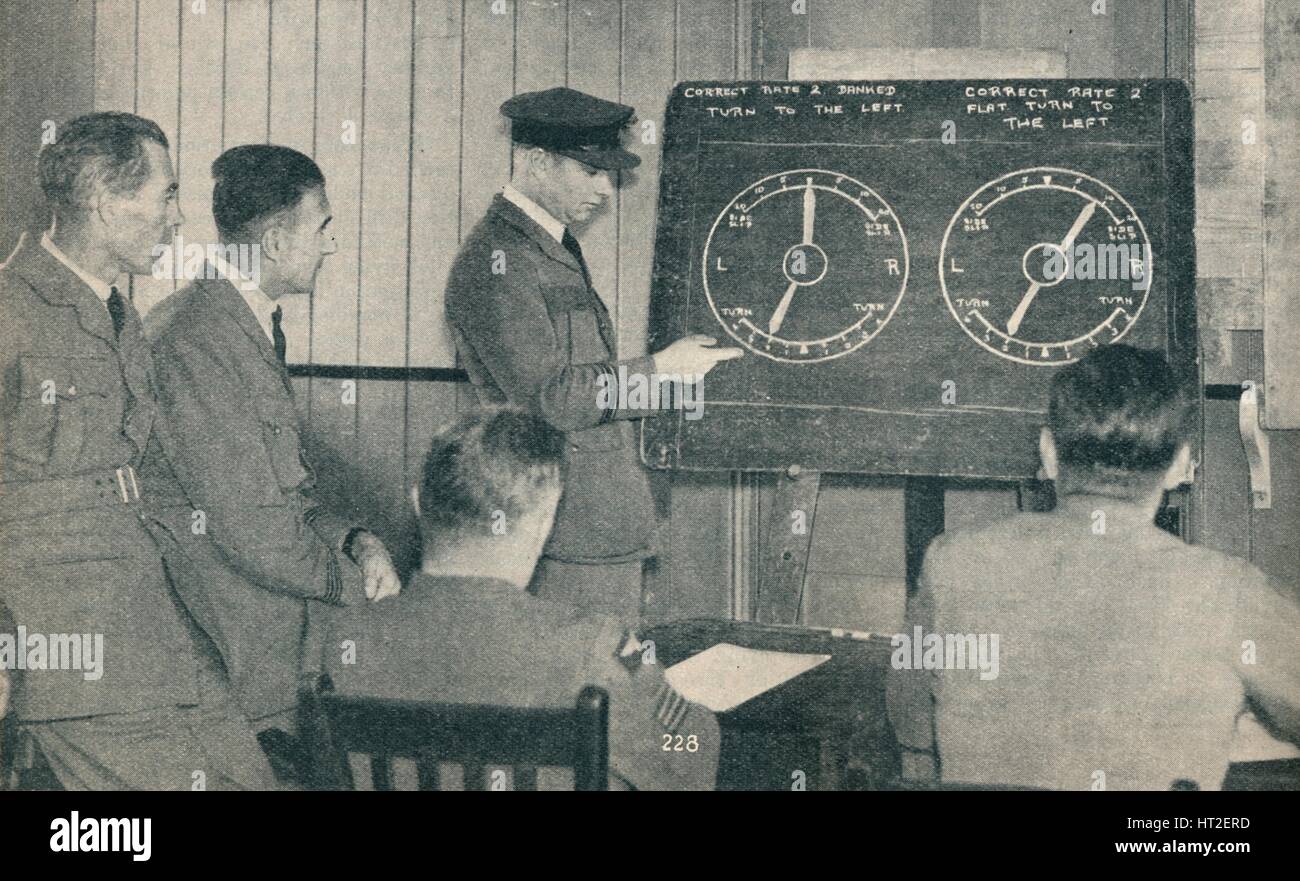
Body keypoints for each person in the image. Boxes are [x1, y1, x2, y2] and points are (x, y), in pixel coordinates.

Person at [0, 112, 272, 789]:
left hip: (156, 619)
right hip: (70, 647)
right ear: (102, 199)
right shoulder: (10, 309)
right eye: (166, 194)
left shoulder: (116, 312)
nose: (179, 218)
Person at [887, 344, 1300, 790]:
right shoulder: (1227, 589)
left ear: (1048, 452)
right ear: (1181, 464)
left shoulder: (955, 560)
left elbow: (911, 723)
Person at [444, 86, 741, 624]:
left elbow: (586, 385)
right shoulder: (498, 260)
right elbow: (552, 398)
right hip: (562, 527)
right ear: (536, 161)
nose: (606, 189)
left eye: (610, 174)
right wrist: (660, 370)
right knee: (584, 691)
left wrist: (680, 379)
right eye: (591, 171)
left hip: (597, 521)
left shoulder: (547, 247)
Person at [324, 406, 720, 790]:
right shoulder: (593, 645)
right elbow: (688, 758)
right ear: (546, 519)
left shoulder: (350, 636)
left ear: (417, 502)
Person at [145, 145, 400, 737]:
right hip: (232, 639)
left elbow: (289, 493)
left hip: (268, 609)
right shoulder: (194, 340)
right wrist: (351, 584)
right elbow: (251, 529)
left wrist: (359, 541)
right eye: (323, 226)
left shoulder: (241, 323)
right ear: (277, 242)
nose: (331, 244)